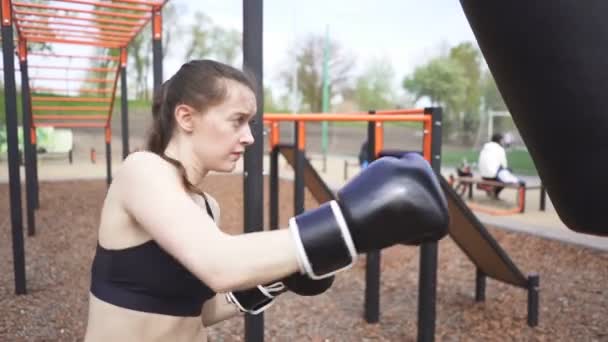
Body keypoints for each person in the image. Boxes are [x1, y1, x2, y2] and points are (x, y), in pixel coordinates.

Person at [83, 60, 449, 342]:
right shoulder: (142, 170)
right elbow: (219, 265)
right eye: (237, 120)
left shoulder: (207, 206)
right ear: (186, 117)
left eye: (251, 124)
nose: (249, 138)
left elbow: (203, 310)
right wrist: (345, 224)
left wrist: (278, 280)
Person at [478, 132, 525, 199]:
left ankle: (491, 191)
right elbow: (504, 165)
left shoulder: (484, 147)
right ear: (499, 140)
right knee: (507, 171)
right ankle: (495, 193)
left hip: (483, 175)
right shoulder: (500, 149)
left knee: (498, 171)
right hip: (492, 176)